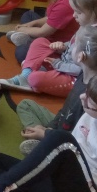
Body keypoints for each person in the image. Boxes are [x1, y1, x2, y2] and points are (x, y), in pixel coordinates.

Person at [0, 0, 97, 96]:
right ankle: (26, 74)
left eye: (79, 12)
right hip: (63, 62)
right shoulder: (84, 26)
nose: (74, 16)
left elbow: (82, 70)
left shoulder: (92, 39)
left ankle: (32, 72)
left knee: (35, 78)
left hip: (73, 77)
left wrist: (59, 64)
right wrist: (64, 46)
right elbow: (72, 44)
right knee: (40, 42)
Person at [15, 25, 97, 156]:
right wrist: (49, 128)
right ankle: (44, 145)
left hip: (70, 140)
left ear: (81, 56)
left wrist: (46, 133)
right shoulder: (83, 74)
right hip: (61, 125)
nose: (70, 47)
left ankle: (46, 149)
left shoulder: (92, 95)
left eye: (74, 45)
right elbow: (66, 109)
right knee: (25, 105)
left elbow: (78, 136)